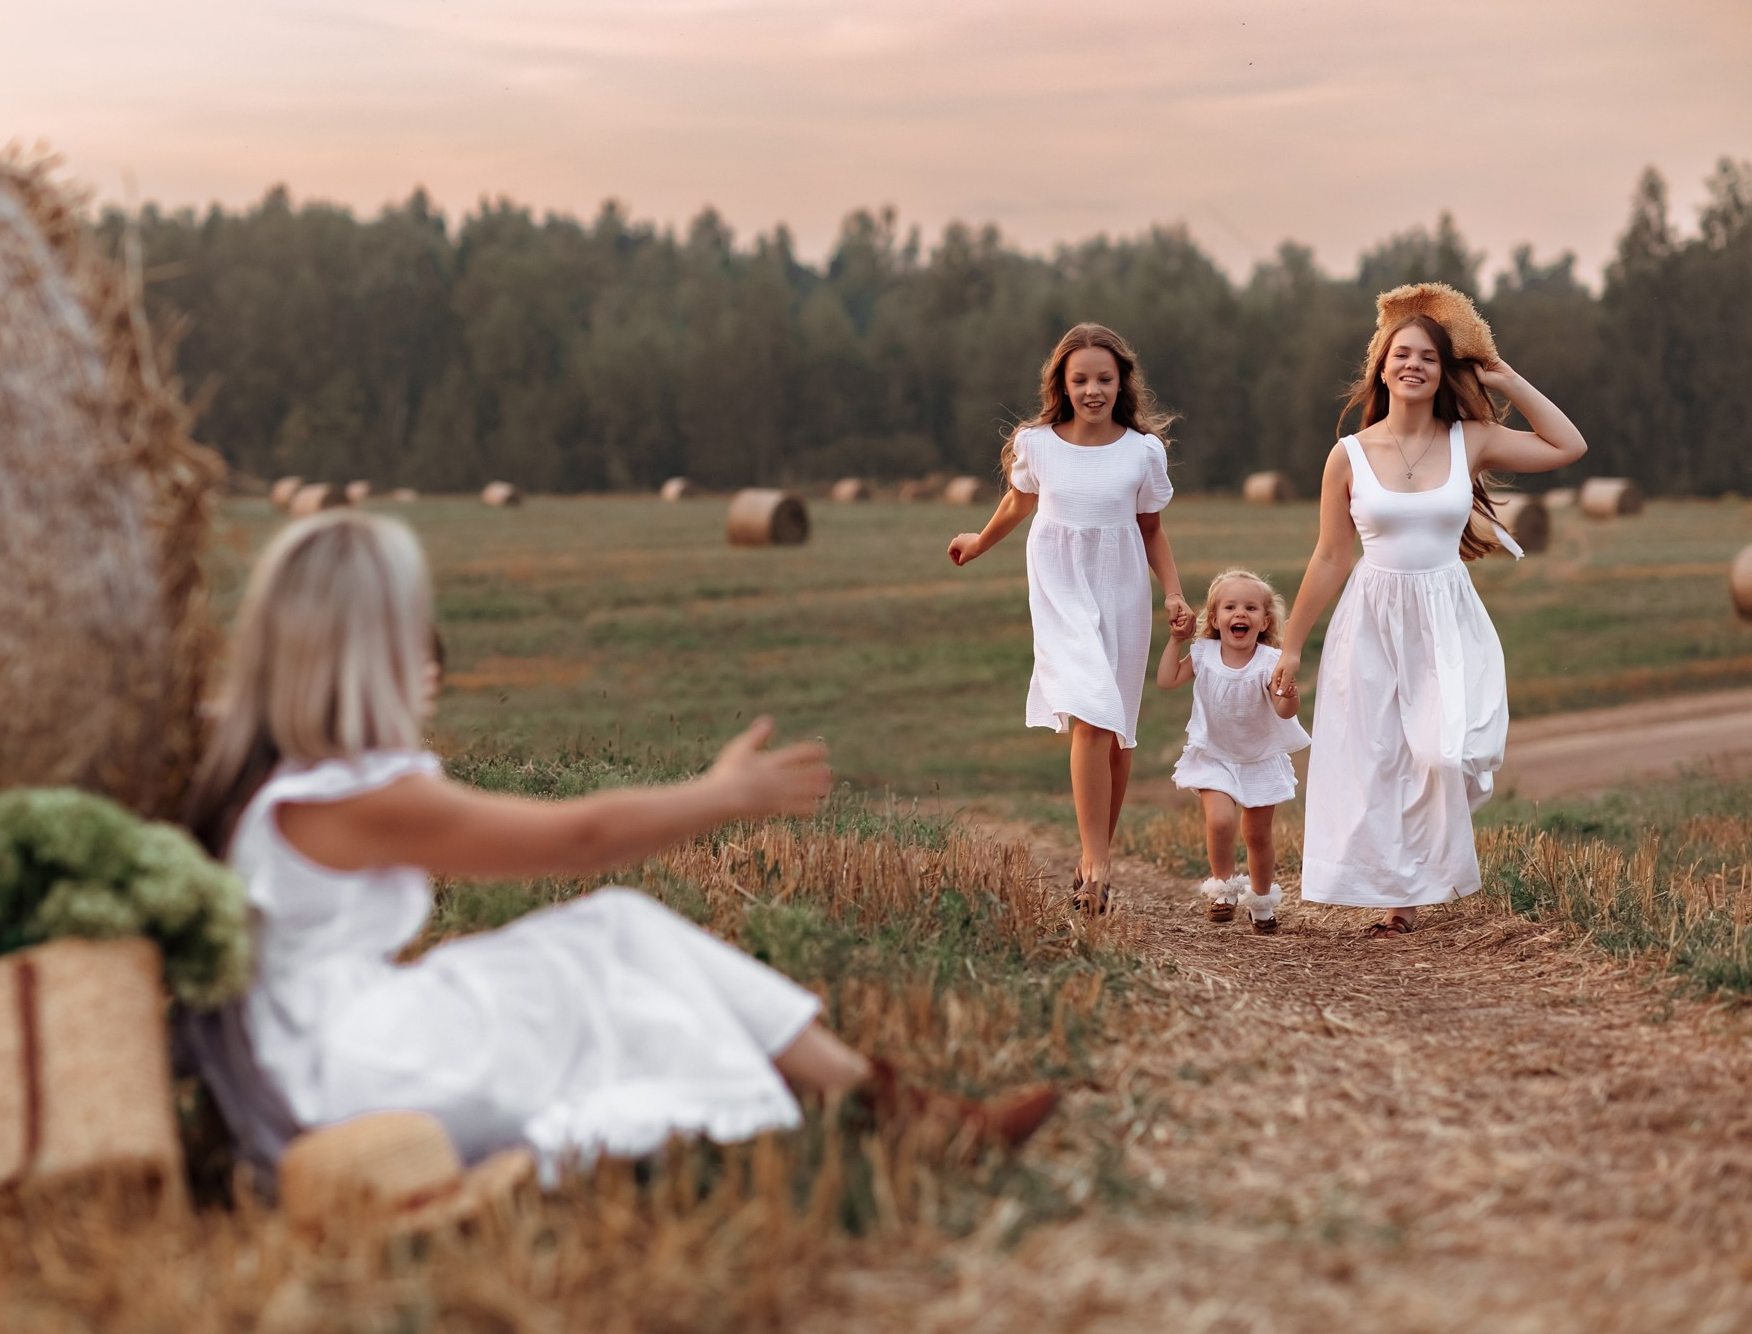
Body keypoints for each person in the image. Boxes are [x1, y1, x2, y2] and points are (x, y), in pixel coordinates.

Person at [178, 511, 1060, 1178]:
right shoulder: (356, 796)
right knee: (604, 942)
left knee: (616, 936)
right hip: (346, 1079)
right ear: (373, 650)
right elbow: (577, 837)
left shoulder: (262, 772)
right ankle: (894, 1109)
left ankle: (891, 1103)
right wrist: (723, 796)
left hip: (329, 1055)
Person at [1268, 284, 1586, 938]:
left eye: (1427, 357)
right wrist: (1292, 646)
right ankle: (1398, 899)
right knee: (1377, 755)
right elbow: (1329, 555)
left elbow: (1566, 446)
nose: (1412, 364)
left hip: (1445, 616)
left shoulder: (1470, 438)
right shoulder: (1348, 455)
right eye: (1400, 354)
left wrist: (1504, 376)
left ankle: (1423, 872)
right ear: (1380, 366)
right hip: (1370, 616)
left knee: (1440, 752)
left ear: (1443, 372)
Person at [947, 323, 1194, 913]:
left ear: (1121, 383)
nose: (1092, 390)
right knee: (1090, 713)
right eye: (1080, 379)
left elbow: (1152, 530)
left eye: (1103, 379)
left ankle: (1094, 853)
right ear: (1061, 381)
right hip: (1060, 589)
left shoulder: (1143, 452)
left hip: (1123, 588)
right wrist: (979, 543)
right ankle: (1097, 863)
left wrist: (1174, 595)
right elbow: (1018, 503)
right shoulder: (1037, 444)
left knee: (1116, 733)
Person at [1155, 569, 1307, 934]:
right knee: (1220, 821)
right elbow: (1166, 680)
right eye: (1230, 607)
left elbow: (1286, 712)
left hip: (1258, 758)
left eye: (1251, 607)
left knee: (1258, 835)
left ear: (1264, 621)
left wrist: (1289, 693)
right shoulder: (1204, 654)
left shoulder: (1271, 661)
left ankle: (1261, 901)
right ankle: (1222, 891)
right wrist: (1175, 641)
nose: (1240, 614)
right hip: (1214, 756)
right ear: (1216, 617)